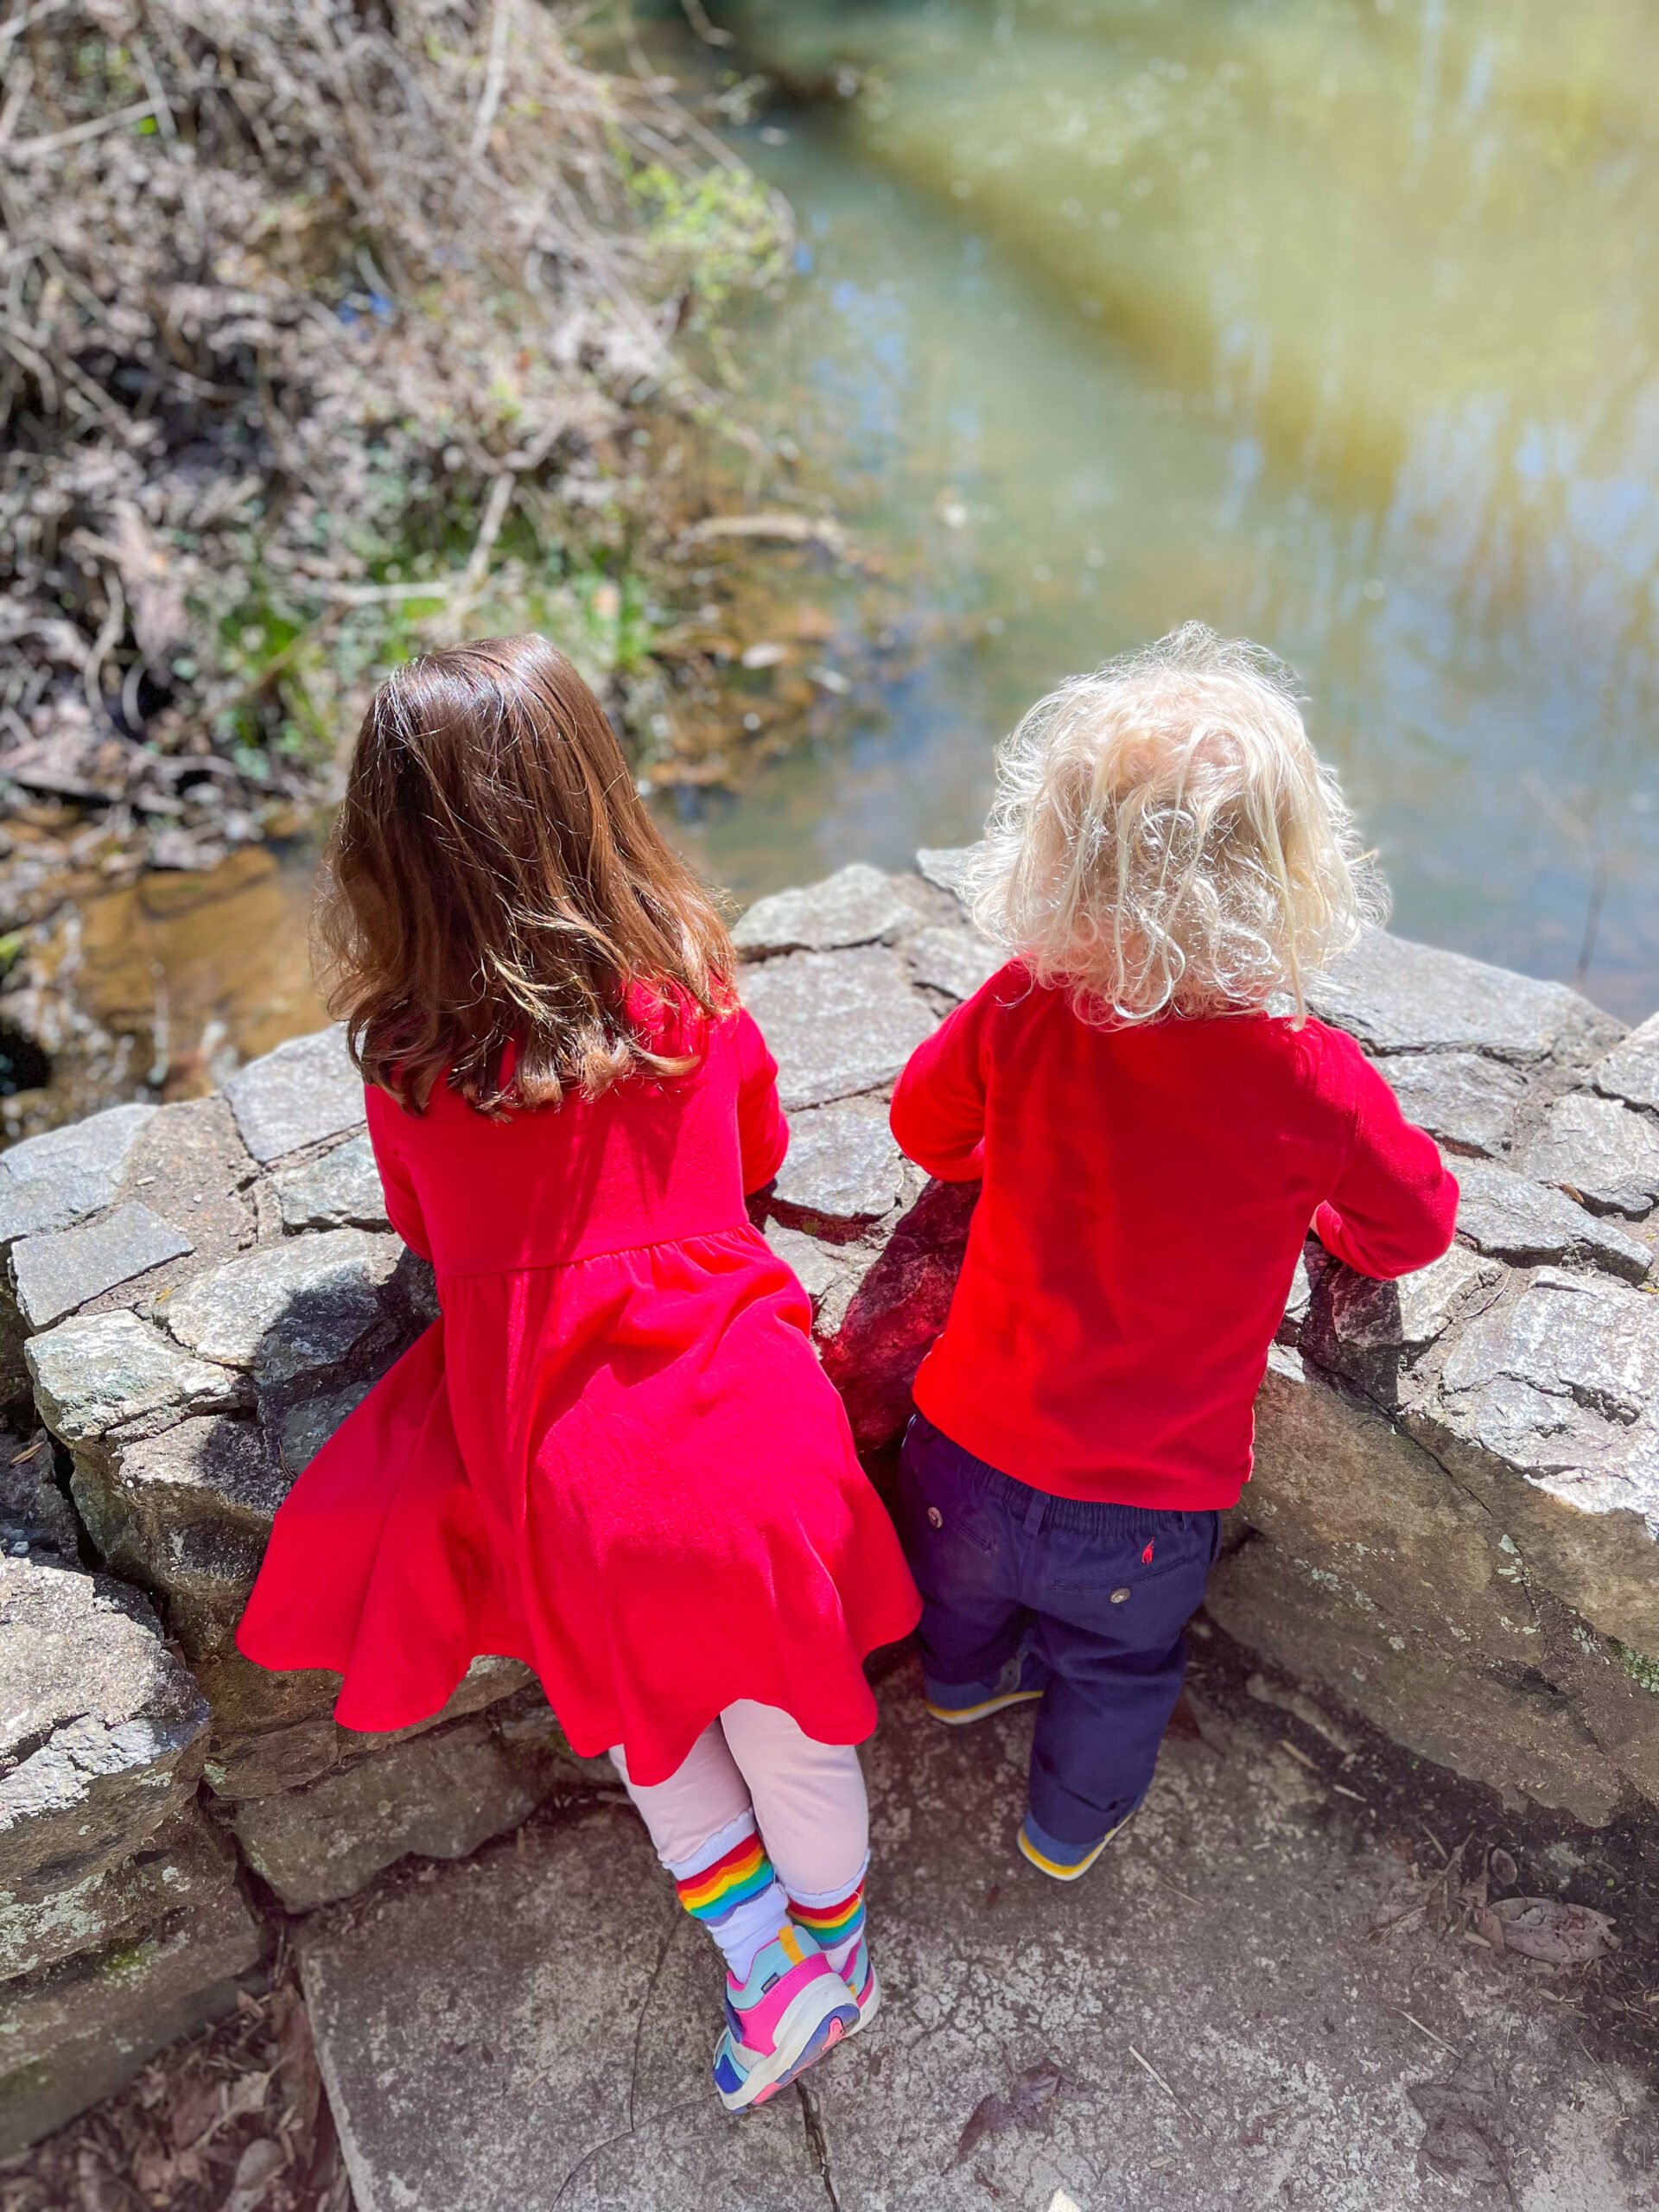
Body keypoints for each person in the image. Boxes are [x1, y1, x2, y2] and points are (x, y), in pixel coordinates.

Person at [237, 635, 919, 2109]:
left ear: (389, 858)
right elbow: (757, 1163)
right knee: (795, 1733)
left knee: (657, 1739)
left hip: (577, 1489)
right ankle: (841, 1956)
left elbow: (425, 1238)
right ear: (598, 800)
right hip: (758, 1446)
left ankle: (766, 1970)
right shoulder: (691, 998)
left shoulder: (408, 1064)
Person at [888, 624, 1458, 1880]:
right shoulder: (1311, 1079)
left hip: (964, 1457)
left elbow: (925, 1126)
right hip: (1142, 1518)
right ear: (1293, 872)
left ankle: (965, 1683)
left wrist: (1000, 1158)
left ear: (1057, 855)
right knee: (1121, 1668)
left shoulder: (1027, 1004)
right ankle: (1064, 1827)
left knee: (961, 1602)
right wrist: (1327, 1217)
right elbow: (1413, 1225)